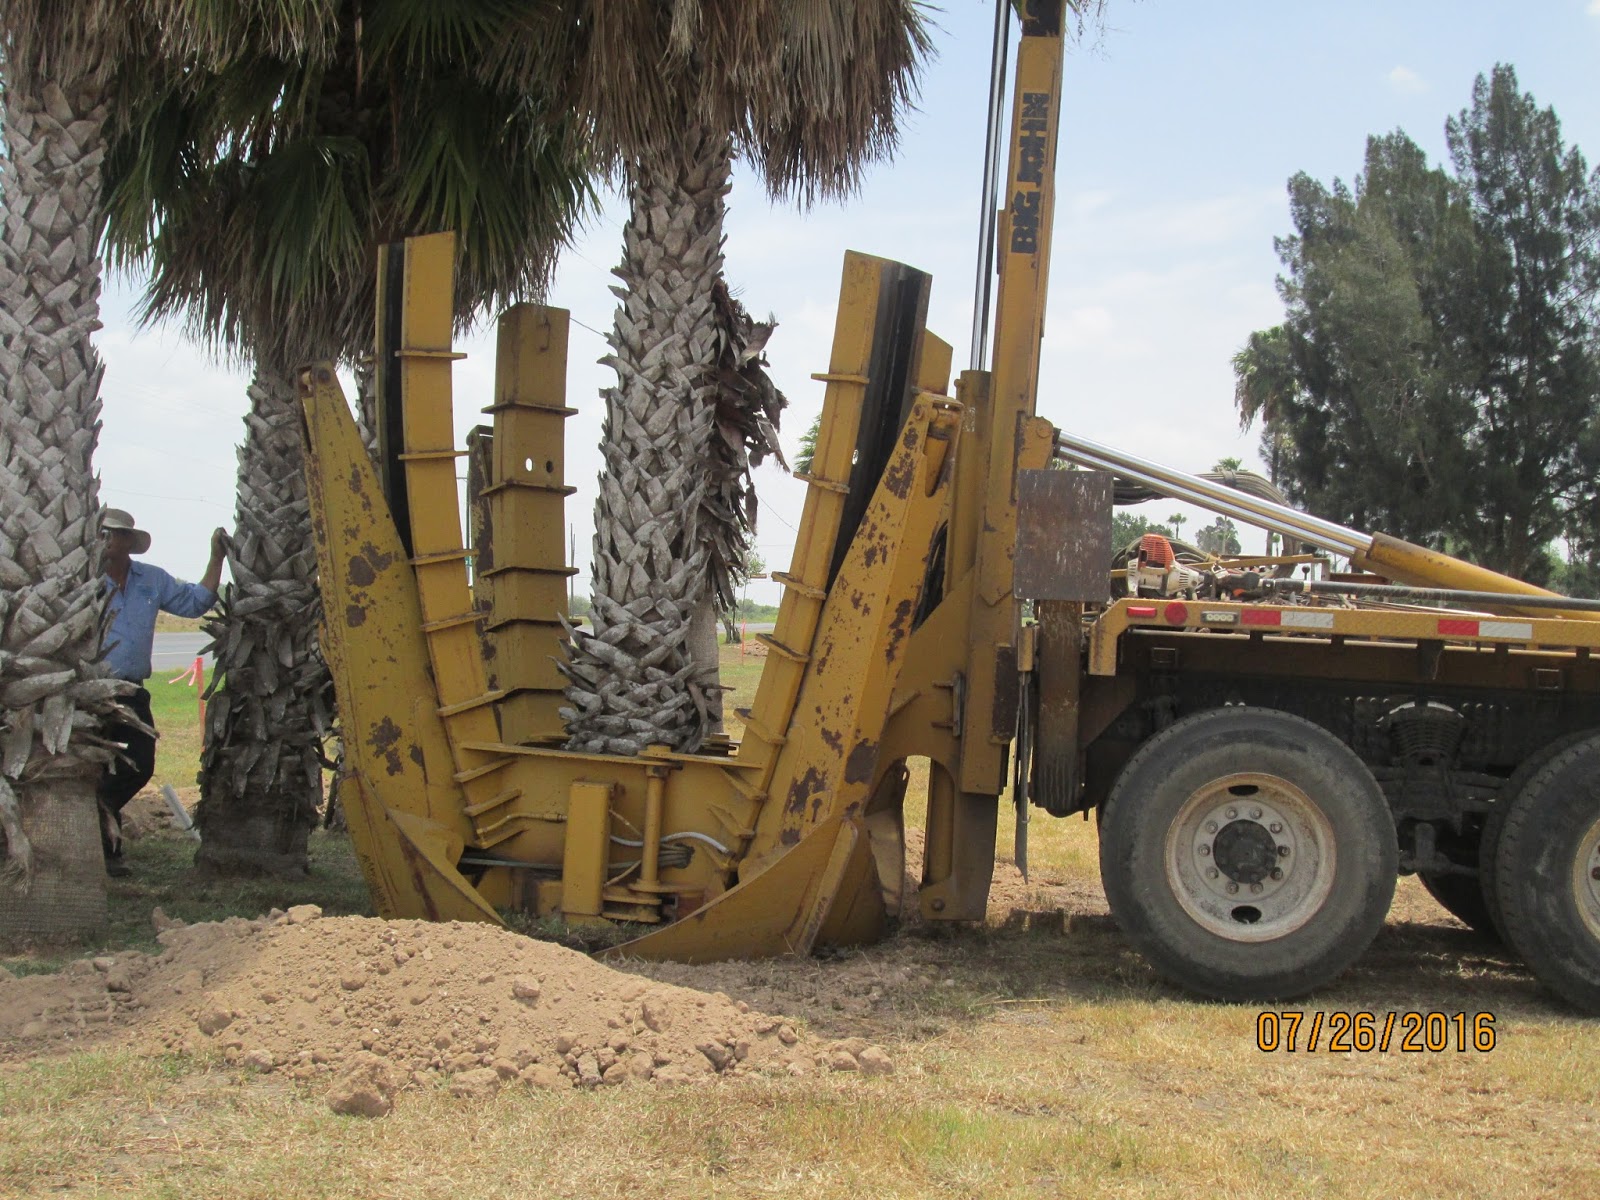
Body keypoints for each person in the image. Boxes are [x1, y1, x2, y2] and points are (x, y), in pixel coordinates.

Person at [98, 509, 229, 876]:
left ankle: (101, 810)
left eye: (113, 533)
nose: (105, 540)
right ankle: (107, 854)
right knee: (92, 767)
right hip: (88, 692)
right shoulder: (81, 580)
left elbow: (196, 602)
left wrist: (216, 557)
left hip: (130, 691)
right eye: (101, 533)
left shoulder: (150, 579)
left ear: (128, 542)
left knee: (140, 764)